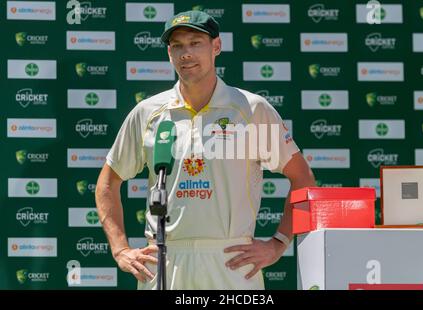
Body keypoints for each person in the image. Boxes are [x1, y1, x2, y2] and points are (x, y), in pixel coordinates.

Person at [95, 10, 316, 290]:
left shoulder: (250, 109)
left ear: (216, 47)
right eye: (177, 46)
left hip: (232, 260)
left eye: (195, 42)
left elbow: (303, 179)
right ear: (169, 54)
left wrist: (278, 243)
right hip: (165, 259)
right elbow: (107, 182)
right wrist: (120, 249)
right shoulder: (149, 112)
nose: (186, 53)